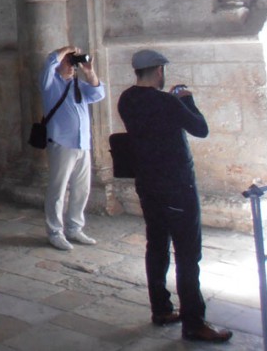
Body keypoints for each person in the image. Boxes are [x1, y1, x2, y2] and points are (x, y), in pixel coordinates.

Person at [117, 49, 232, 343]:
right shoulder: (167, 102)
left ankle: (161, 309)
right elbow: (200, 128)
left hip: (148, 185)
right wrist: (186, 99)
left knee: (156, 246)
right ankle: (194, 323)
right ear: (159, 71)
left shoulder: (126, 99)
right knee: (187, 255)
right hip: (177, 187)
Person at [40, 45, 106, 251]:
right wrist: (66, 50)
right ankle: (55, 232)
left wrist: (89, 72)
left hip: (82, 143)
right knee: (58, 190)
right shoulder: (50, 84)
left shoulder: (78, 85)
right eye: (68, 61)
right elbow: (49, 62)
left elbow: (98, 94)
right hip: (61, 142)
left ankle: (74, 228)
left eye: (72, 62)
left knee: (82, 189)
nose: (71, 65)